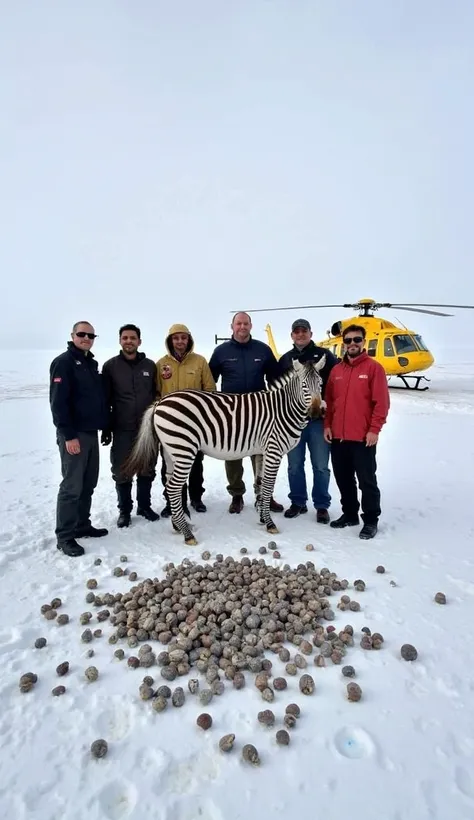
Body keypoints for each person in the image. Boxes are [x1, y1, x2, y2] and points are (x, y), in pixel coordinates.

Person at [209, 311, 284, 514]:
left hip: (261, 414)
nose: (242, 327)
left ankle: (263, 494)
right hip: (230, 414)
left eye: (246, 323)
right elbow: (209, 381)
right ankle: (236, 495)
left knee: (262, 455)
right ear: (232, 327)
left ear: (251, 326)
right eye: (238, 323)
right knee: (232, 455)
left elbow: (276, 380)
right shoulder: (221, 352)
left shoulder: (263, 350)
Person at [323, 324, 390, 539]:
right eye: (349, 340)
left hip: (363, 438)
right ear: (344, 343)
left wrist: (374, 429)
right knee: (344, 479)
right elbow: (330, 401)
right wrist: (327, 426)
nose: (353, 343)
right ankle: (350, 514)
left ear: (363, 341)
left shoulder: (374, 368)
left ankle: (370, 520)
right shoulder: (336, 370)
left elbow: (382, 403)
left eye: (357, 340)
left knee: (366, 480)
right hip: (338, 438)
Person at [49, 321, 109, 557]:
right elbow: (58, 404)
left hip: (91, 433)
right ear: (72, 335)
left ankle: (82, 524)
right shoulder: (63, 363)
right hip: (74, 435)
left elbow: (96, 400)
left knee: (88, 483)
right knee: (71, 486)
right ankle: (64, 536)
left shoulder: (89, 363)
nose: (86, 338)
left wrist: (104, 426)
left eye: (90, 335)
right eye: (81, 334)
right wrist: (69, 436)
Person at [279, 318, 338, 523]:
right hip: (293, 423)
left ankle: (321, 505)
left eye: (304, 331)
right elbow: (278, 388)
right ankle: (298, 502)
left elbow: (335, 384)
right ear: (292, 335)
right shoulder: (286, 359)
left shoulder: (325, 356)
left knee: (321, 465)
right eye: (297, 331)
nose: (300, 334)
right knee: (294, 465)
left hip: (318, 421)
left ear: (310, 334)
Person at [101, 324, 159, 528]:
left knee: (147, 468)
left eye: (132, 338)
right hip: (121, 427)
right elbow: (105, 399)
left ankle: (144, 506)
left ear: (139, 341)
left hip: (147, 429)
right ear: (120, 340)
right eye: (125, 338)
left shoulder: (150, 366)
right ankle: (124, 510)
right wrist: (106, 427)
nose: (129, 341)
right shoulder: (110, 366)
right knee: (121, 470)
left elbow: (157, 396)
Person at [156, 323, 216, 516]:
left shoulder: (199, 362)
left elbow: (210, 391)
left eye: (183, 337)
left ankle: (196, 498)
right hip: (170, 425)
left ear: (188, 339)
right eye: (176, 338)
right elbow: (156, 393)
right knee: (169, 464)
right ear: (170, 341)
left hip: (196, 424)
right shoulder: (161, 364)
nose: (180, 341)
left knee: (195, 462)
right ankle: (172, 501)